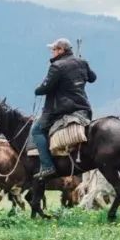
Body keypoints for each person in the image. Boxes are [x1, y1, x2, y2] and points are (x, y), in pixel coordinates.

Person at [31, 37, 97, 181]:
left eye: (53, 50)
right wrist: (82, 64)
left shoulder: (57, 66)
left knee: (36, 130)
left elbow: (45, 88)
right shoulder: (82, 62)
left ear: (61, 50)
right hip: (83, 108)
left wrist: (37, 89)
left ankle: (47, 166)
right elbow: (93, 78)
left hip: (61, 110)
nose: (52, 53)